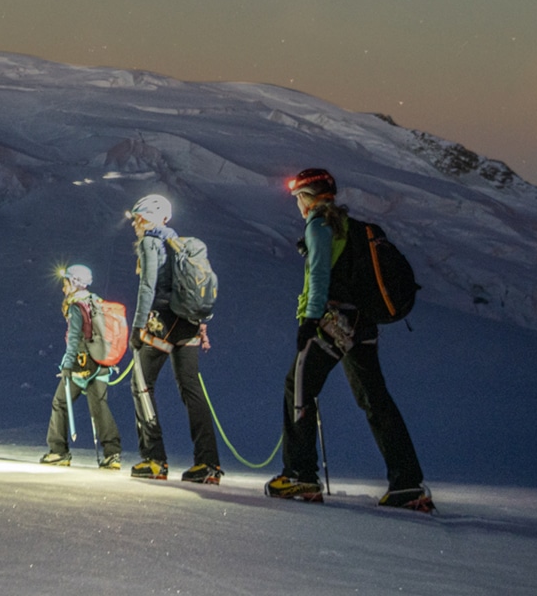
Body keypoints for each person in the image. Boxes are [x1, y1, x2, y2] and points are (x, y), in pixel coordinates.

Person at [264, 169, 433, 512]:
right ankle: (407, 484)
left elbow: (320, 274)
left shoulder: (319, 224)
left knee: (297, 387)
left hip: (332, 320)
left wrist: (310, 320)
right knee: (375, 399)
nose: (297, 204)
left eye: (298, 198)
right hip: (364, 324)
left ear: (308, 197)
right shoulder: (349, 226)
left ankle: (300, 474)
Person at [123, 195, 222, 484]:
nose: (134, 224)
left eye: (137, 218)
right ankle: (208, 464)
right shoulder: (181, 244)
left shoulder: (150, 243)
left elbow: (147, 287)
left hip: (161, 320)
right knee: (191, 389)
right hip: (188, 323)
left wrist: (138, 327)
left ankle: (154, 460)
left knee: (141, 384)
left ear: (147, 218)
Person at [40, 264, 123, 469]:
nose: (63, 288)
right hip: (101, 362)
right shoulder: (96, 302)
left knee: (60, 403)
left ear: (75, 283)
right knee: (99, 406)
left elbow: (74, 339)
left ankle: (58, 451)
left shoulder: (77, 306)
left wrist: (67, 365)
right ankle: (112, 454)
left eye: (66, 283)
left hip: (82, 362)